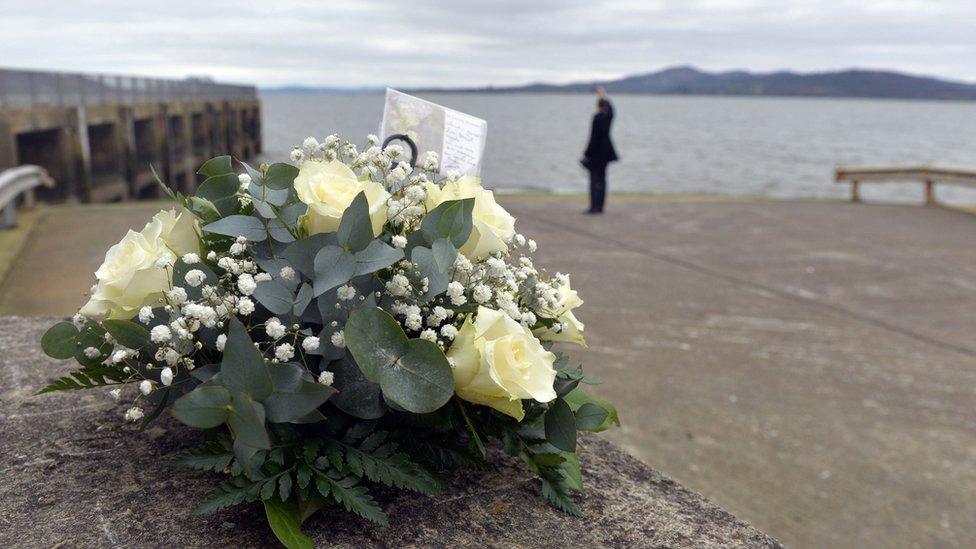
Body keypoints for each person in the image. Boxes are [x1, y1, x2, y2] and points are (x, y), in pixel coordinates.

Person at [581, 86, 618, 214]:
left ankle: (594, 207)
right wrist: (603, 95)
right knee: (602, 180)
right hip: (606, 153)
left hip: (596, 154)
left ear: (598, 106)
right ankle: (600, 207)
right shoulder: (608, 118)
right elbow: (613, 111)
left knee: (594, 181)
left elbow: (593, 138)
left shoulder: (597, 118)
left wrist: (586, 154)